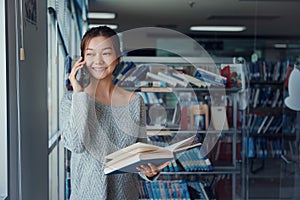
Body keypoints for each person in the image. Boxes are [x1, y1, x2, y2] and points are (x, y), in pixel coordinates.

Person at [60, 26, 168, 200]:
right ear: (82, 60)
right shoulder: (71, 101)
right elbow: (76, 144)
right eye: (90, 54)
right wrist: (79, 95)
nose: (98, 61)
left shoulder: (135, 102)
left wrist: (149, 172)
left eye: (106, 53)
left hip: (125, 195)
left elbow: (139, 153)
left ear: (118, 58)